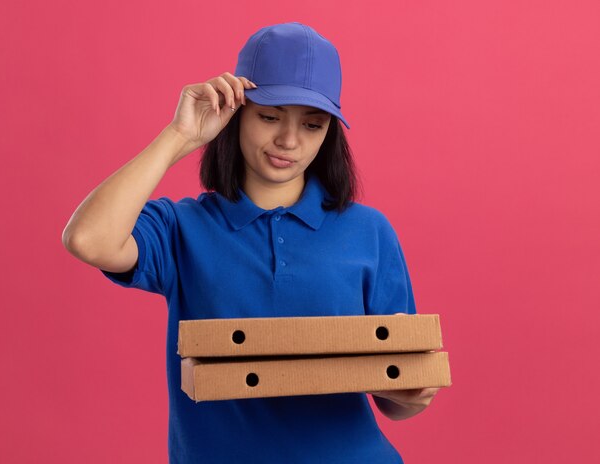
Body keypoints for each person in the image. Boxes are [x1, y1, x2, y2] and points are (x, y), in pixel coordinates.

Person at [62, 21, 439, 464]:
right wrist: (179, 136)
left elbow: (397, 401)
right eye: (269, 117)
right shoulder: (180, 227)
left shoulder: (369, 232)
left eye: (313, 125)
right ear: (236, 111)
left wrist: (412, 394)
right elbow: (89, 240)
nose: (289, 141)